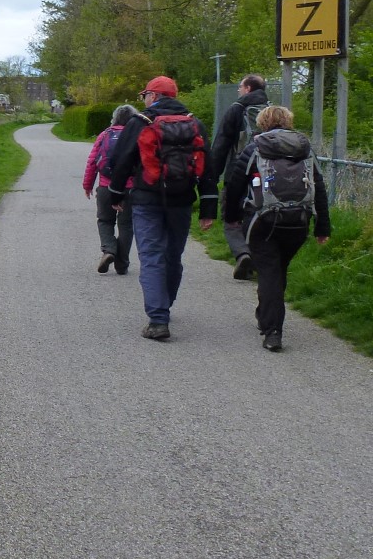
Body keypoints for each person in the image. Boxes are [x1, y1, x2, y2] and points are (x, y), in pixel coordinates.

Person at [106, 76, 218, 341]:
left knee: (151, 255)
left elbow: (119, 161)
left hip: (147, 198)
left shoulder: (139, 122)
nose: (144, 99)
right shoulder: (195, 123)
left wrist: (116, 193)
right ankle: (165, 303)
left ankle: (158, 319)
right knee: (172, 255)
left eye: (145, 94)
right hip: (182, 200)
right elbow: (208, 168)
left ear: (153, 96)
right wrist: (208, 209)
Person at [222, 105, 330, 352]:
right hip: (299, 221)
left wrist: (231, 218)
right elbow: (319, 187)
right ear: (288, 122)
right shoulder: (305, 149)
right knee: (277, 269)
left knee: (269, 272)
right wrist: (322, 225)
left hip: (263, 221)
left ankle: (273, 331)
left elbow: (235, 185)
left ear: (263, 123)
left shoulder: (255, 148)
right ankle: (266, 314)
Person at [208, 73, 269, 279]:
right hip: (267, 172)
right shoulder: (271, 109)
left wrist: (212, 176)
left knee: (231, 215)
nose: (238, 90)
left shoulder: (236, 109)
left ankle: (242, 253)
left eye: (240, 86)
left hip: (238, 169)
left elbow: (221, 144)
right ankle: (259, 259)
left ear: (248, 89)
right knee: (259, 213)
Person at [82, 104, 138, 275]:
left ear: (114, 118)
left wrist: (88, 185)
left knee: (105, 221)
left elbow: (92, 161)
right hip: (130, 189)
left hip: (106, 187)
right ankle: (122, 264)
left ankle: (109, 250)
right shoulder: (137, 135)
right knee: (126, 225)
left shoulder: (105, 134)